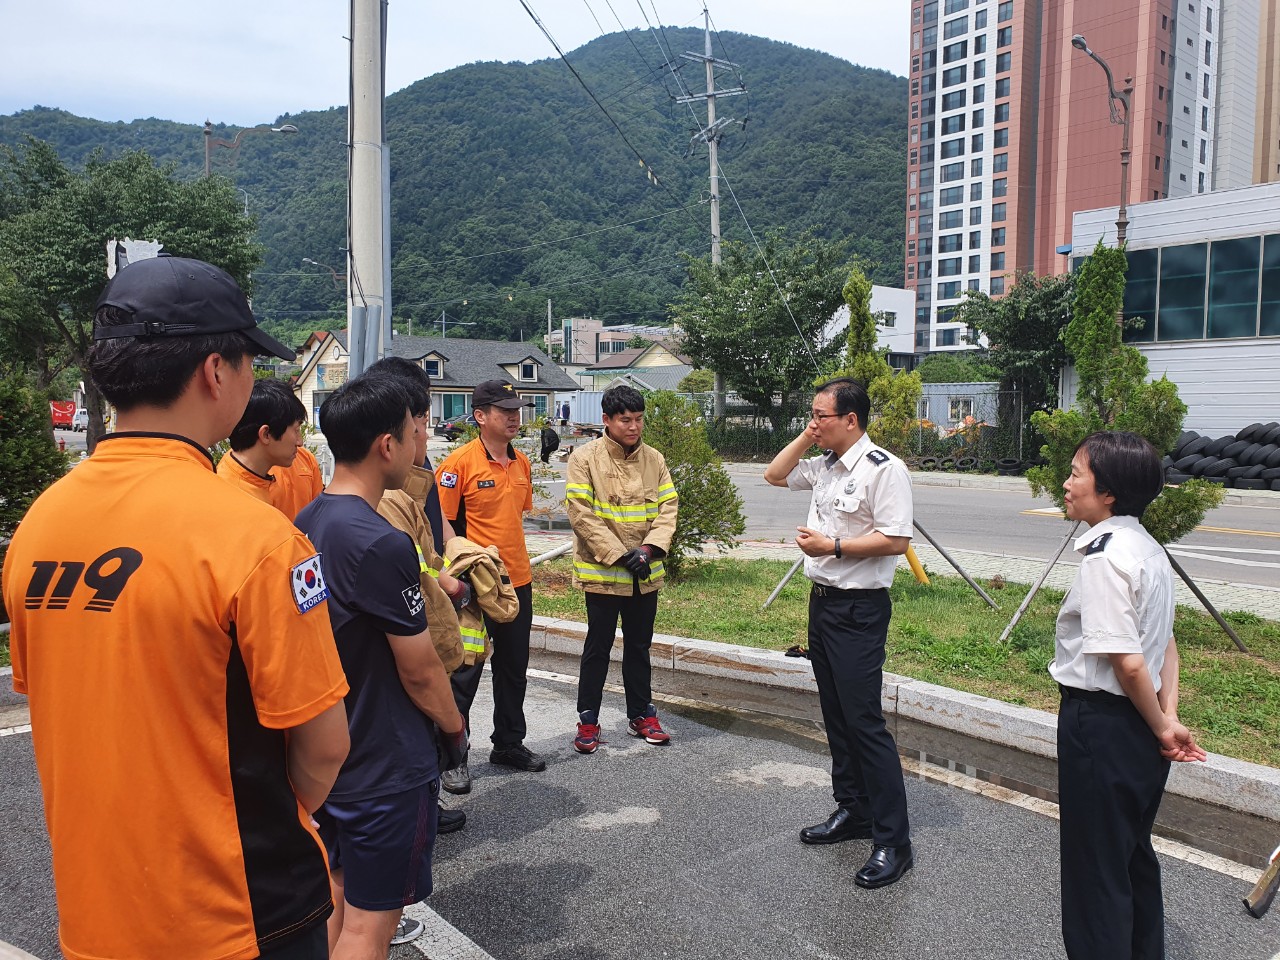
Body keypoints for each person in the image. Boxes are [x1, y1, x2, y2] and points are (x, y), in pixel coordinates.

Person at [1, 255, 350, 960]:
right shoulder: (257, 539)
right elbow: (323, 746)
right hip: (235, 914)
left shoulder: (41, 525)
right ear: (216, 371)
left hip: (95, 912)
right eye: (249, 361)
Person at [295, 375, 468, 960]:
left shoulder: (304, 521)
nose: (421, 442)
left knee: (336, 894)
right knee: (371, 926)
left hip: (325, 750)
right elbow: (419, 669)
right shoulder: (380, 541)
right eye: (413, 432)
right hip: (384, 760)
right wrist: (453, 729)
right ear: (386, 445)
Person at [1051, 431, 1207, 960]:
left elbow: (1129, 660)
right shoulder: (1148, 549)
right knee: (1131, 856)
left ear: (1109, 493)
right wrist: (1166, 718)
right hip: (1140, 724)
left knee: (1096, 872)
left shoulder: (1105, 558)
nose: (1066, 483)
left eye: (1076, 474)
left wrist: (1164, 726)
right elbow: (1167, 646)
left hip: (1101, 725)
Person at [763, 377, 915, 889]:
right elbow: (773, 474)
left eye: (820, 416)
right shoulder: (824, 464)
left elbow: (896, 539)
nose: (814, 423)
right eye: (811, 415)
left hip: (859, 610)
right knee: (836, 716)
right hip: (823, 604)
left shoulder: (883, 469)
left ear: (851, 419)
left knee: (865, 722)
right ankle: (854, 810)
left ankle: (894, 841)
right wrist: (806, 436)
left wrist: (833, 547)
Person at [436, 379, 543, 790]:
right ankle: (453, 758)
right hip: (473, 586)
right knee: (464, 672)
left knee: (513, 669)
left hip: (516, 581)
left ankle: (509, 743)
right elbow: (441, 524)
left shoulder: (521, 462)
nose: (515, 417)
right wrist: (458, 575)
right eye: (505, 411)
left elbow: (514, 520)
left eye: (517, 411)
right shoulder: (458, 464)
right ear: (480, 416)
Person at [565, 384, 678, 753]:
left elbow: (668, 510)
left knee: (639, 647)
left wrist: (648, 549)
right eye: (625, 420)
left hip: (645, 573)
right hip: (603, 574)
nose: (634, 427)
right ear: (606, 420)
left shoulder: (655, 460)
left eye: (639, 419)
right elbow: (581, 513)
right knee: (597, 648)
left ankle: (641, 714)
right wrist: (619, 554)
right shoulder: (585, 459)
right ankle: (588, 720)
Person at [218, 377, 323, 520]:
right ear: (266, 434)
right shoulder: (227, 492)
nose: (300, 442)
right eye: (296, 430)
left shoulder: (304, 459)